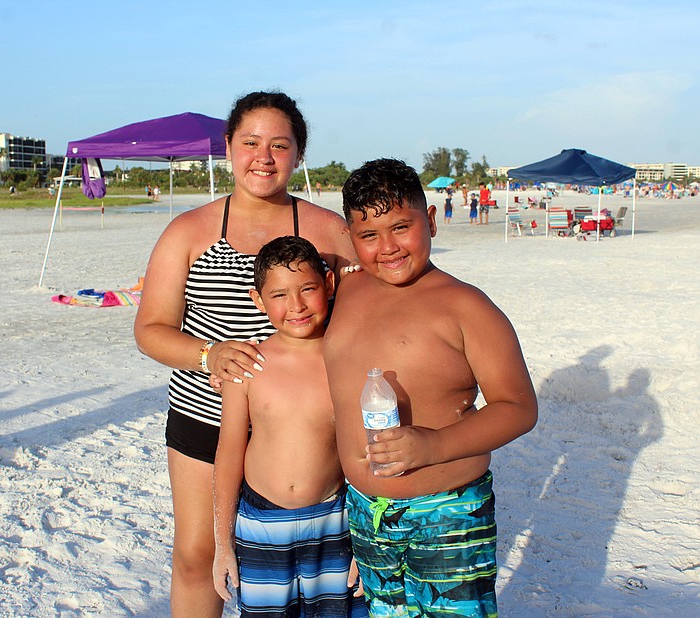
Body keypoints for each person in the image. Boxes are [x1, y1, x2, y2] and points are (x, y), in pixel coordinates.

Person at [133, 91, 355, 618]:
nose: (264, 156)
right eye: (251, 142)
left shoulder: (327, 233)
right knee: (196, 556)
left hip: (301, 426)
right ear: (228, 146)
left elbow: (363, 321)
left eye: (280, 145)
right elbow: (150, 329)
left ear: (299, 154)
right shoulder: (188, 231)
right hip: (204, 418)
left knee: (307, 563)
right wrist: (208, 355)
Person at [323, 158, 538, 617]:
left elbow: (518, 406)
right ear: (350, 238)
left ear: (433, 221)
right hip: (365, 511)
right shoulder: (345, 292)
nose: (388, 247)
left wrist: (434, 445)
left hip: (448, 512)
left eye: (402, 227)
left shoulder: (464, 306)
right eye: (368, 235)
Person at [213, 235, 367, 617]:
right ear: (257, 300)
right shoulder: (247, 364)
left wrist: (365, 545)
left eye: (308, 289)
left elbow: (365, 452)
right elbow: (230, 449)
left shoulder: (347, 359)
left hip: (335, 522)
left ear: (328, 285)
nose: (295, 306)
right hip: (261, 525)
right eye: (279, 295)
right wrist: (222, 543)